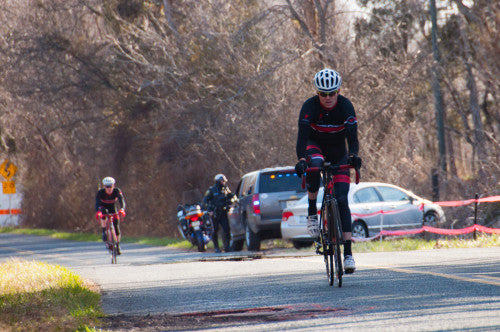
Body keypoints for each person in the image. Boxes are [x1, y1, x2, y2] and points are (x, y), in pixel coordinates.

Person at [294, 68, 362, 274]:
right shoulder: (309, 107)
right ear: (317, 93)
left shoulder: (346, 106)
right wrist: (301, 160)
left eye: (332, 93)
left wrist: (354, 156)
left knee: (342, 199)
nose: (328, 98)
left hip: (338, 151)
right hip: (315, 146)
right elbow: (302, 138)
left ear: (339, 90)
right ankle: (312, 212)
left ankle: (348, 253)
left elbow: (353, 138)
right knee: (314, 163)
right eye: (323, 94)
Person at [202, 174, 233, 253]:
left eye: (224, 181)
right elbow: (205, 201)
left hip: (223, 213)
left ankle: (227, 246)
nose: (224, 182)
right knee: (214, 230)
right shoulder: (212, 190)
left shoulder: (226, 189)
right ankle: (216, 247)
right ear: (218, 181)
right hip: (215, 213)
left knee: (226, 229)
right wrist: (209, 210)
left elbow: (231, 197)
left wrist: (231, 203)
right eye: (222, 181)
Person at [95, 176, 126, 255]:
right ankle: (104, 231)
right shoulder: (100, 192)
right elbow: (97, 203)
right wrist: (98, 211)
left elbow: (121, 201)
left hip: (112, 207)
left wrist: (122, 209)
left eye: (110, 186)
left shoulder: (117, 191)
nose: (109, 188)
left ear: (113, 186)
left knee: (116, 227)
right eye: (107, 186)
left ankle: (118, 245)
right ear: (104, 187)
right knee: (104, 215)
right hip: (103, 207)